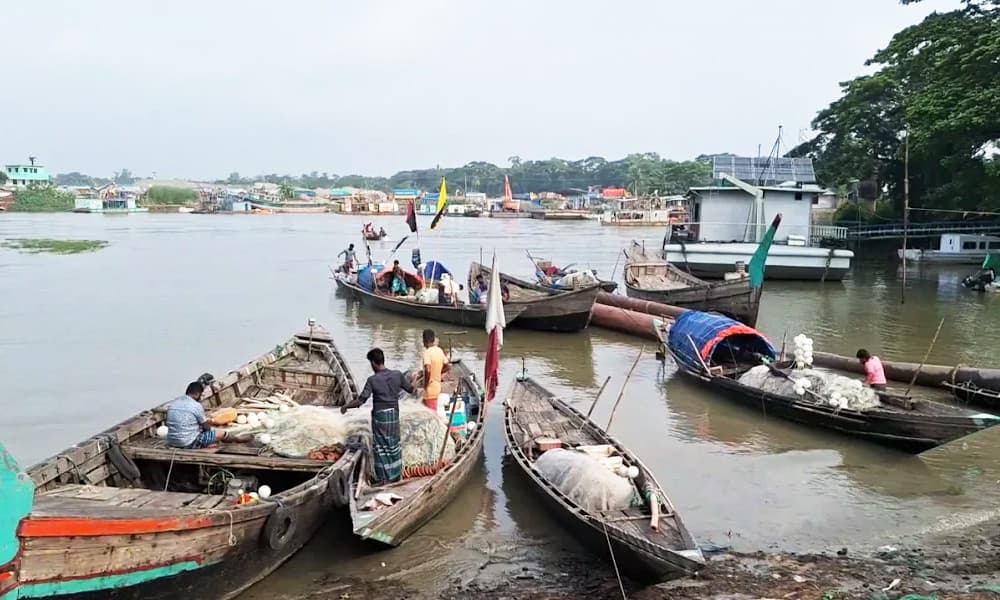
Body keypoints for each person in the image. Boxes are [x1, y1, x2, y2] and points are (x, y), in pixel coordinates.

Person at [340, 348, 414, 484]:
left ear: (374, 363)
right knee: (393, 444)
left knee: (381, 448)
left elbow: (360, 401)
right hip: (393, 415)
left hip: (380, 418)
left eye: (371, 363)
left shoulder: (373, 380)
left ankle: (384, 478)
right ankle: (395, 475)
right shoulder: (397, 375)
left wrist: (345, 407)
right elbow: (411, 389)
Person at [166, 382, 251, 449]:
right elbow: (207, 428)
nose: (201, 397)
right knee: (221, 433)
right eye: (201, 395)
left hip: (172, 442)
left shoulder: (173, 403)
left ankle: (210, 443)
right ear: (197, 394)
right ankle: (237, 439)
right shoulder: (195, 405)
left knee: (203, 431)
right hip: (188, 443)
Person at [422, 329, 449, 411]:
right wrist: (439, 373)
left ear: (424, 340)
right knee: (428, 411)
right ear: (433, 340)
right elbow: (447, 365)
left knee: (432, 415)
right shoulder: (439, 350)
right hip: (437, 386)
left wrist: (426, 385)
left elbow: (428, 370)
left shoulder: (427, 352)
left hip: (430, 389)